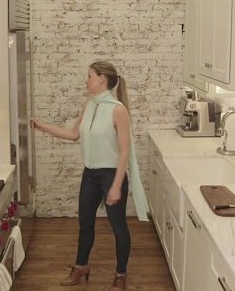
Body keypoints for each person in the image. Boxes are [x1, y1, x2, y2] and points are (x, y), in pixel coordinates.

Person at [30, 60, 148, 291]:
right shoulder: (89, 104)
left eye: (89, 76)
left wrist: (115, 186)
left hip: (112, 175)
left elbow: (124, 149)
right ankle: (81, 266)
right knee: (85, 222)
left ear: (101, 78)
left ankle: (120, 274)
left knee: (119, 227)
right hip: (90, 175)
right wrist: (42, 127)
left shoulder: (118, 109)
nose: (86, 80)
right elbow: (74, 134)